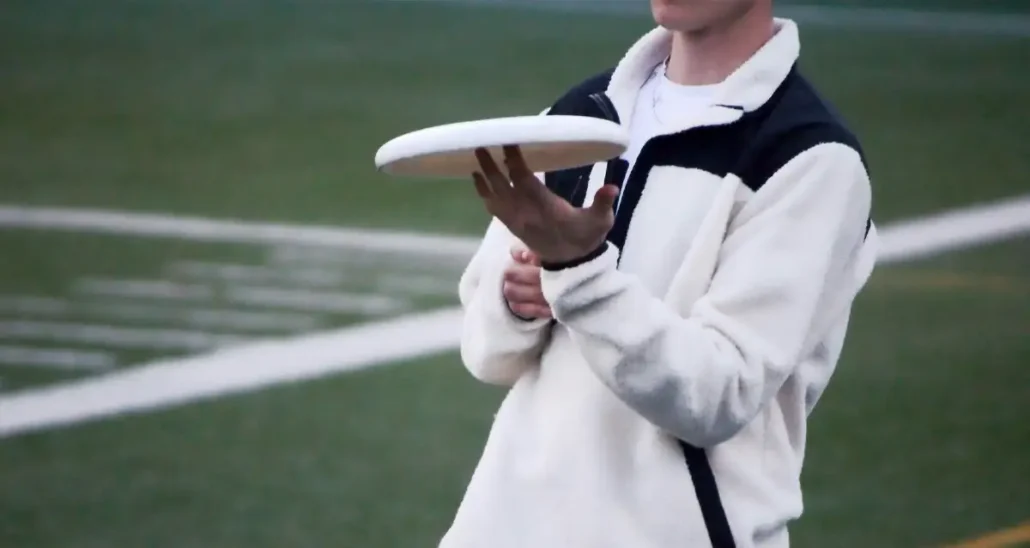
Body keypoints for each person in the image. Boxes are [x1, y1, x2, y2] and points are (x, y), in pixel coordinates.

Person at [439, 0, 878, 546]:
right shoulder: (581, 113)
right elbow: (486, 352)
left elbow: (718, 395)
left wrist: (578, 274)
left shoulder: (811, 159)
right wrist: (518, 300)